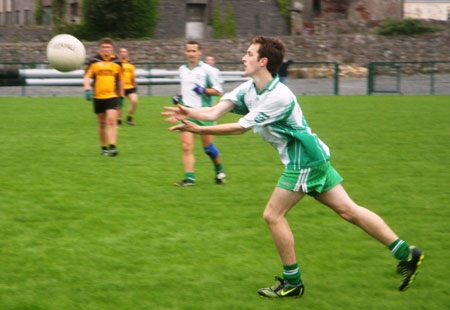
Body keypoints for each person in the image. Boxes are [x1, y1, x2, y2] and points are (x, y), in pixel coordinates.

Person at [162, 36, 423, 297]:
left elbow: (240, 128)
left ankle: (293, 282)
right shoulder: (249, 88)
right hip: (314, 157)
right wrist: (189, 112)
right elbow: (214, 112)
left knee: (273, 215)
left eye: (249, 54)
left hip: (304, 161)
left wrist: (197, 130)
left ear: (263, 61)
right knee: (348, 210)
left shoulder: (279, 96)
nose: (243, 58)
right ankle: (406, 253)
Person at [172, 40, 226, 186]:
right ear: (185, 52)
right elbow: (184, 90)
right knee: (186, 145)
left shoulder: (207, 70)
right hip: (186, 112)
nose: (191, 54)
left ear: (200, 52)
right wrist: (179, 96)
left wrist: (203, 90)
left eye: (194, 51)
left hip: (204, 113)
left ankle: (219, 170)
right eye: (188, 51)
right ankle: (190, 178)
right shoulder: (182, 70)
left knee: (208, 148)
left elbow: (218, 91)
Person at [84, 37, 124, 156]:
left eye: (108, 47)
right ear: (100, 48)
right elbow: (87, 77)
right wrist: (87, 89)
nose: (106, 49)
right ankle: (104, 148)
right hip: (98, 97)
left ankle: (113, 147)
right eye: (103, 47)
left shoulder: (117, 62)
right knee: (102, 123)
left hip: (112, 96)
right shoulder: (94, 61)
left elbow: (121, 80)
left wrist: (121, 96)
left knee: (111, 121)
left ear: (112, 49)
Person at [119, 47, 139, 126]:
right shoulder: (117, 63)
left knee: (135, 101)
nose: (123, 53)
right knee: (120, 104)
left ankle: (129, 119)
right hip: (120, 87)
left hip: (129, 86)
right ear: (120, 53)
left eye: (125, 52)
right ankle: (118, 121)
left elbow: (133, 77)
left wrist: (135, 86)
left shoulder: (131, 64)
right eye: (122, 52)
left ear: (127, 54)